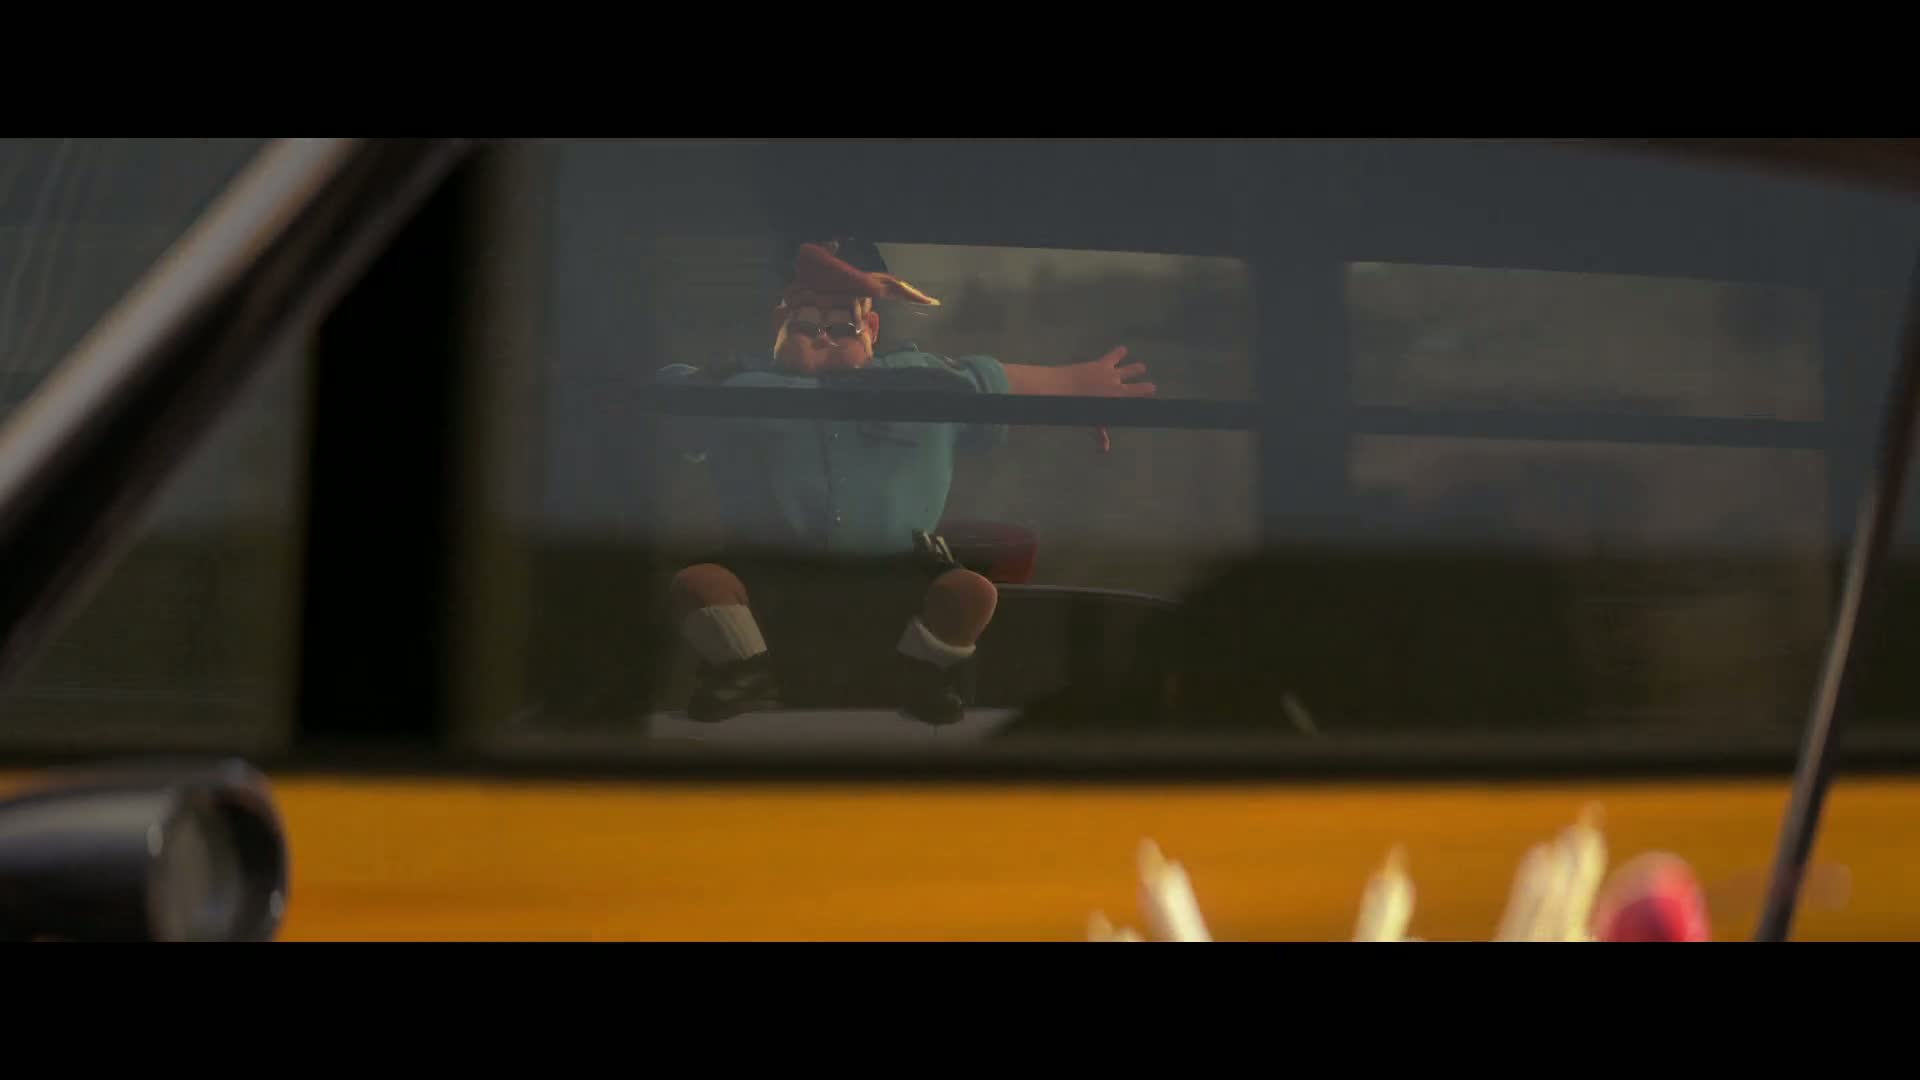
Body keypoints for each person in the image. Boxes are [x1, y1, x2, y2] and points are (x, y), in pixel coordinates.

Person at [658, 238, 1154, 724]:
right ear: (777, 324)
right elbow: (661, 397)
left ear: (872, 327)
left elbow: (997, 382)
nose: (824, 337)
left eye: (843, 325)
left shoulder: (924, 381)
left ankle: (924, 672)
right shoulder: (733, 387)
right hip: (767, 577)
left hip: (899, 581)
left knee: (969, 593)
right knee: (699, 584)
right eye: (806, 323)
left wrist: (1078, 388)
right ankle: (744, 671)